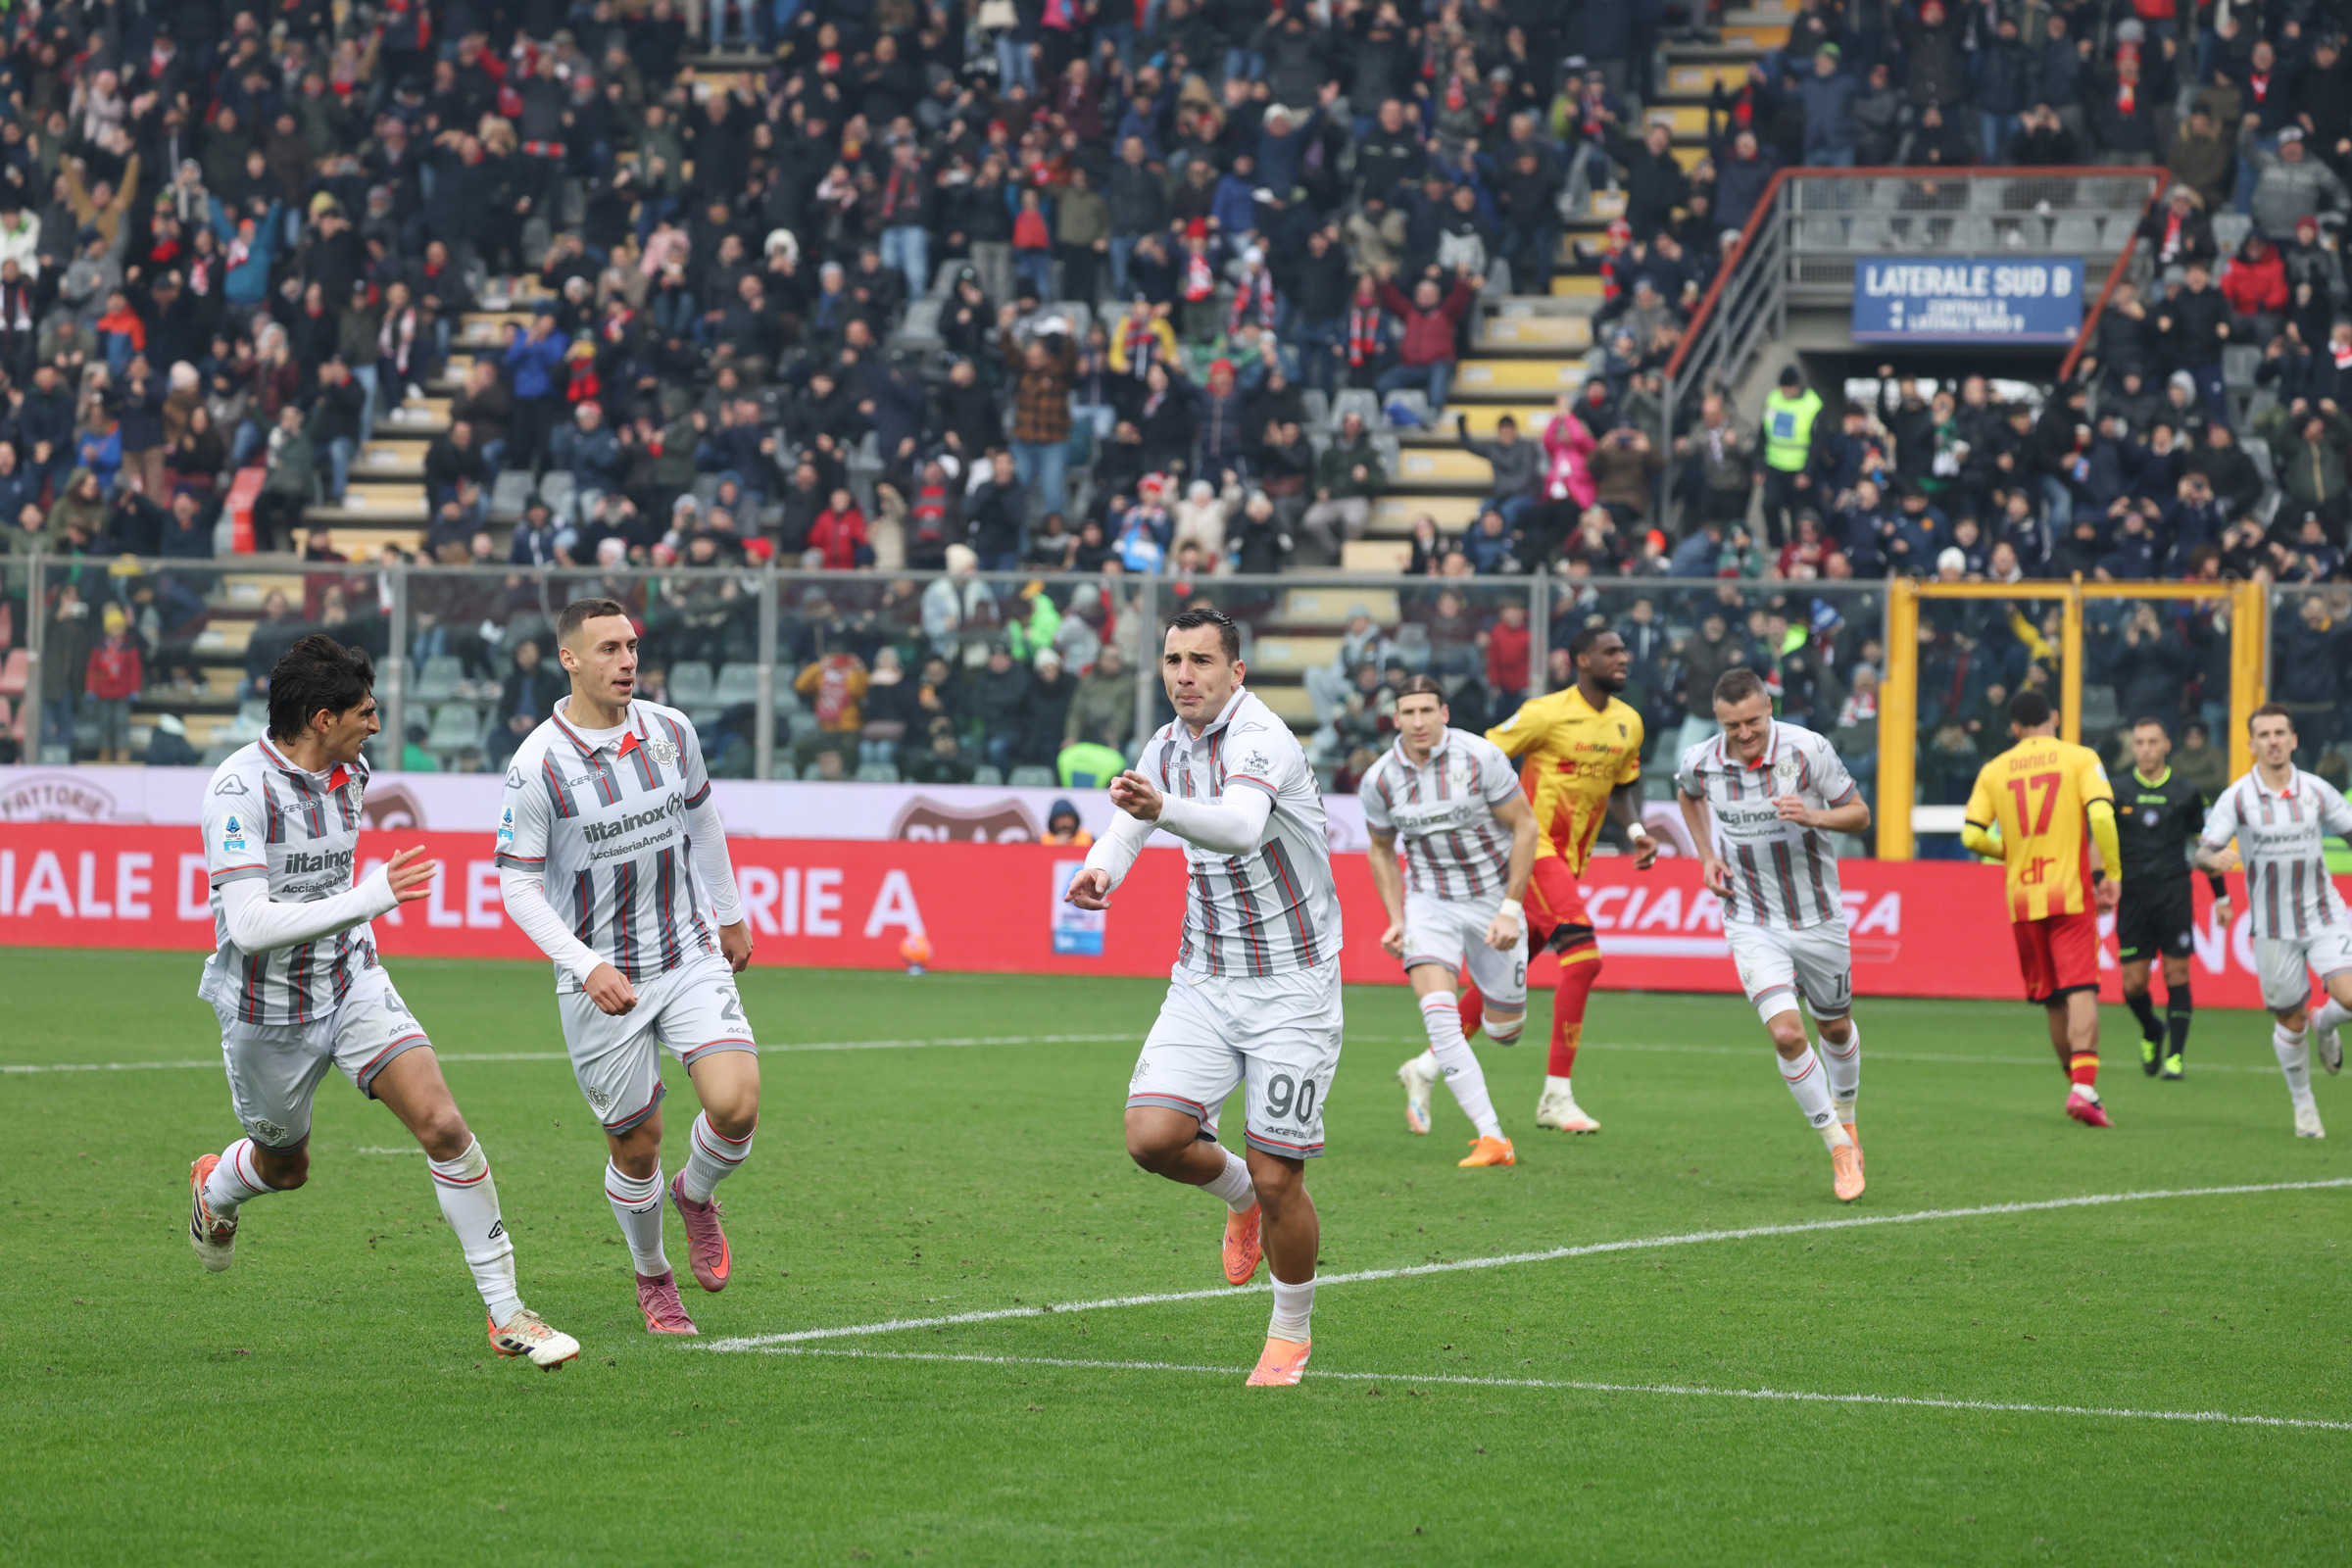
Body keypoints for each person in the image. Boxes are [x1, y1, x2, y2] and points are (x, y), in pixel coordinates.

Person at [185, 634, 579, 1371]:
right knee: (286, 1167)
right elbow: (249, 926)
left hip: (351, 979)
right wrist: (368, 897)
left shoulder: (351, 771)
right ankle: (217, 1187)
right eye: (364, 713)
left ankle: (507, 1314)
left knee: (443, 1125)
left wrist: (358, 915)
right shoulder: (238, 791)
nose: (375, 725)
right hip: (268, 1010)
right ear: (322, 719)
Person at [1063, 607, 1343, 1388]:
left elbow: (1242, 827)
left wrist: (1161, 810)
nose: (1184, 675)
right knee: (1152, 1138)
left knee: (1283, 1176)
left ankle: (1289, 1335)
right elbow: (1128, 825)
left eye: (1202, 661)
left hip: (1292, 987)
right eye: (1173, 660)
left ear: (1236, 672)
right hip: (1205, 977)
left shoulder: (1261, 739)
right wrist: (1101, 869)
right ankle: (1239, 1197)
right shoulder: (1164, 745)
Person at [495, 599, 760, 1337]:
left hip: (686, 950)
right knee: (636, 1146)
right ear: (570, 660)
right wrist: (585, 965)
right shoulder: (536, 766)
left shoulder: (671, 731)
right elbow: (517, 885)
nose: (627, 661)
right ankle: (653, 1277)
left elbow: (703, 819)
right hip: (601, 979)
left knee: (737, 1105)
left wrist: (729, 912)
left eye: (632, 646)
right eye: (609, 649)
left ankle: (696, 1194)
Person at [1675, 668, 1873, 1202]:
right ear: (1718, 721)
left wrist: (1813, 816)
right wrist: (1707, 855)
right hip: (1750, 917)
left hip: (1818, 916)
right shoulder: (1700, 760)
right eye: (1731, 725)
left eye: (1752, 721)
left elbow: (1859, 814)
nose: (1743, 734)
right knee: (1787, 1034)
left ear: (1769, 708)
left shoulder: (1807, 749)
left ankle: (1848, 1116)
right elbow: (1687, 794)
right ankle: (1836, 1145)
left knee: (1835, 1029)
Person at [1484, 627, 1658, 1134]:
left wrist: (1635, 832)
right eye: (1611, 651)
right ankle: (1556, 1095)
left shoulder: (1629, 722)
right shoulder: (1545, 712)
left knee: (1508, 970)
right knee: (1585, 958)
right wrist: (1497, 822)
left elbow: (1622, 786)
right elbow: (1483, 757)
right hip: (1534, 852)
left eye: (1624, 650)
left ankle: (1427, 1065)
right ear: (1582, 659)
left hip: (1572, 860)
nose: (1623, 658)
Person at [1362, 676, 1538, 1167]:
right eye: (1408, 712)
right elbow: (1381, 850)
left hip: (1491, 900)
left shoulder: (1480, 757)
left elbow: (1525, 826)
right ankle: (1493, 1138)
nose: (1418, 721)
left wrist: (1510, 908)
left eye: (1426, 711)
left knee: (1506, 1031)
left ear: (1444, 713)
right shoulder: (1380, 778)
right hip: (1430, 903)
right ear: (1396, 718)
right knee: (1440, 1017)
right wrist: (1397, 918)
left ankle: (1423, 1069)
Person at [1961, 689, 2122, 1128]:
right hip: (2069, 893)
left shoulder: (1994, 770)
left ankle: (2080, 1088)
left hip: (2023, 898)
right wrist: (2112, 872)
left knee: (2051, 999)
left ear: (2014, 728)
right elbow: (2102, 817)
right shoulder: (2079, 757)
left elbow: (1972, 835)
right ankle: (2083, 1090)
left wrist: (2009, 851)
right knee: (2081, 989)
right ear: (2054, 717)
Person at [2195, 705, 2352, 1139]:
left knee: (2349, 995)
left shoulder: (2316, 790)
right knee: (2291, 1020)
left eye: (2280, 733)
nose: (2273, 741)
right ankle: (2304, 1107)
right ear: (2252, 744)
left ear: (2294, 740)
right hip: (2272, 927)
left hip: (2324, 914)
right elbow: (2203, 850)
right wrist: (2211, 859)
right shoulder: (2238, 797)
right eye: (2264, 735)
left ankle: (2327, 1023)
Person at [2113, 718, 2231, 1080]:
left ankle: (2175, 1057)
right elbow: (2100, 841)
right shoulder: (2117, 790)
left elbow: (2205, 847)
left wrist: (2222, 897)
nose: (2145, 749)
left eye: (2153, 742)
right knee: (2133, 984)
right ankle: (2152, 1029)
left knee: (2176, 973)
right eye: (2139, 742)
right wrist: (2100, 882)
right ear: (2133, 747)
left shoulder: (2186, 792)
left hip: (2174, 893)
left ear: (2166, 745)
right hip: (2133, 896)